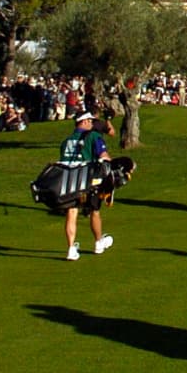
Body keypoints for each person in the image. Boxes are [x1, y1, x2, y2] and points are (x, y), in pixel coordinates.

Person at [59, 111, 113, 261]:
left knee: (72, 212)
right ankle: (98, 242)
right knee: (94, 211)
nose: (92, 123)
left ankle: (71, 248)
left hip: (70, 181)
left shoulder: (66, 141)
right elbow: (104, 156)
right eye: (90, 121)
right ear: (83, 122)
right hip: (89, 180)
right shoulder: (94, 136)